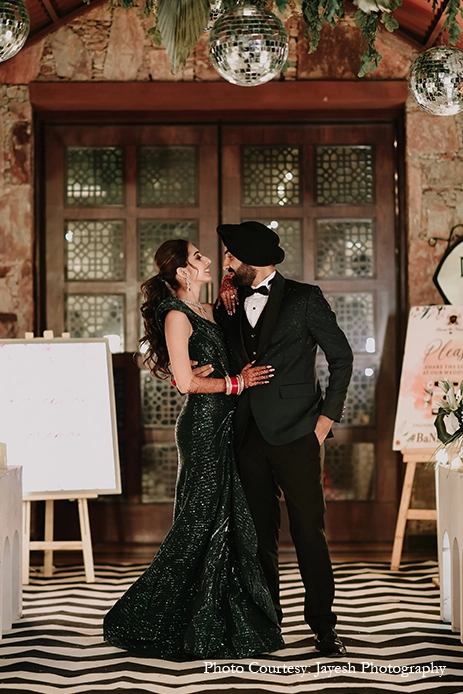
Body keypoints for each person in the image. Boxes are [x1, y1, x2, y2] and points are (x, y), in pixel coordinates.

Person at [103, 239, 285, 660]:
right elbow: (186, 382)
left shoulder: (206, 309)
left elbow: (210, 357)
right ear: (183, 272)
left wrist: (228, 282)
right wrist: (237, 383)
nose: (207, 260)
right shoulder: (176, 314)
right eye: (198, 257)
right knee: (197, 521)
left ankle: (214, 619)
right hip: (202, 427)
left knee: (226, 519)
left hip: (228, 424)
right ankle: (139, 617)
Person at [213, 221, 353, 658]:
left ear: (252, 258)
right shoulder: (228, 302)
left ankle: (323, 626)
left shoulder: (305, 298)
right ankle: (266, 623)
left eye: (231, 256)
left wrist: (325, 421)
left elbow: (341, 357)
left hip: (297, 433)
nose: (226, 262)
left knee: (309, 531)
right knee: (258, 535)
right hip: (247, 433)